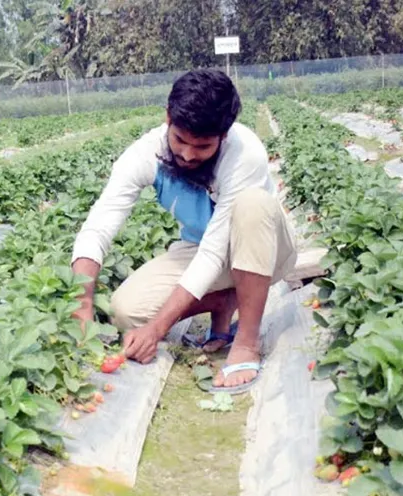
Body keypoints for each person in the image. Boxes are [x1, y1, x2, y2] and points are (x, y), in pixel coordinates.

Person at [70, 68, 297, 394]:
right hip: (200, 248)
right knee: (125, 311)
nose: (188, 155)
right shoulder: (145, 153)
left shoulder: (245, 154)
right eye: (180, 140)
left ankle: (246, 341)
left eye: (203, 147)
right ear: (167, 118)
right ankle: (222, 301)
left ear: (225, 134)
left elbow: (215, 251)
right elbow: (98, 226)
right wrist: (82, 306)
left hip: (265, 250)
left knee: (253, 204)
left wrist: (158, 328)